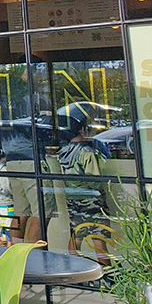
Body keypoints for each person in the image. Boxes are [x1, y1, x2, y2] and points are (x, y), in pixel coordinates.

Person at [56, 103, 111, 259]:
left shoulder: (63, 152)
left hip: (73, 199)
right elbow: (94, 180)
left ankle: (74, 271)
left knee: (76, 236)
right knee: (99, 240)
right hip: (91, 202)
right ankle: (105, 278)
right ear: (82, 130)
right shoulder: (86, 152)